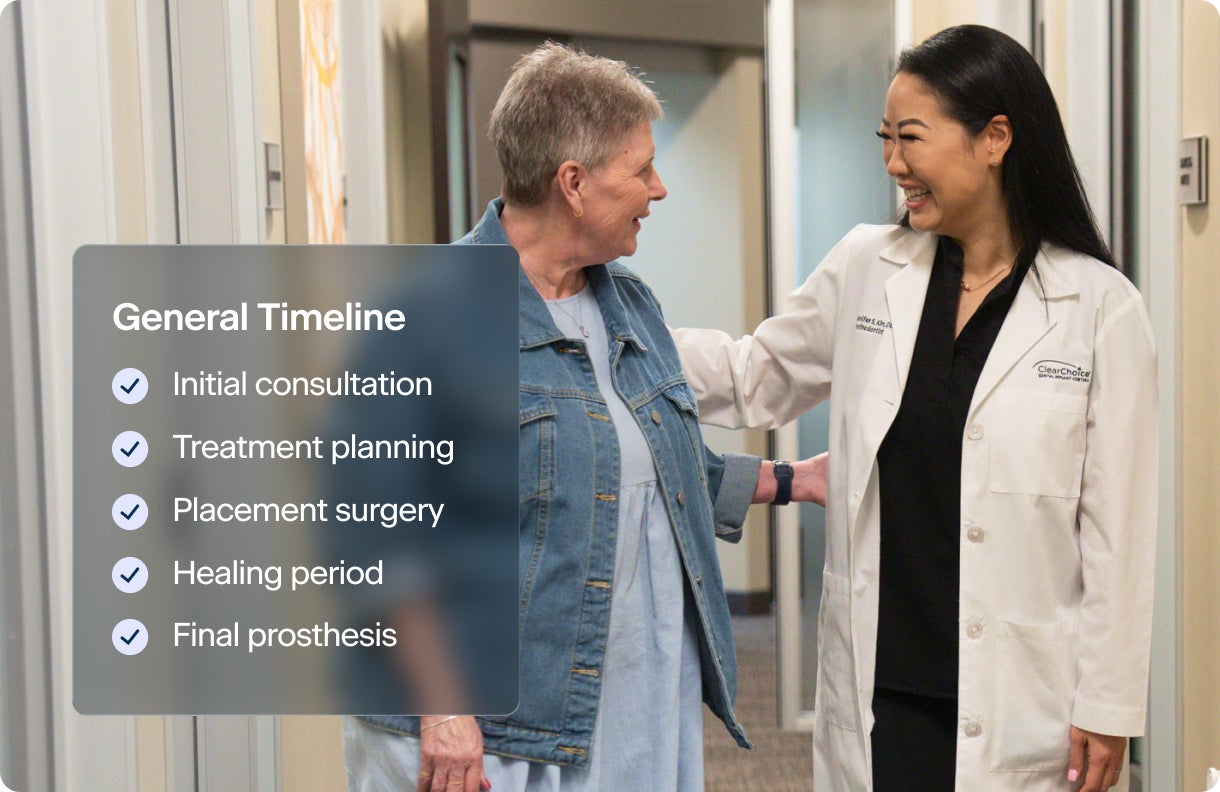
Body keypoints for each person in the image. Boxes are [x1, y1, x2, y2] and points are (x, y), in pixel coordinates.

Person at [673, 24, 1157, 792]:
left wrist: (1110, 701)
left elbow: (1117, 532)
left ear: (995, 137)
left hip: (1022, 702)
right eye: (885, 139)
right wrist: (624, 338)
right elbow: (754, 374)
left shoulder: (1100, 308)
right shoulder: (870, 266)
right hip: (882, 687)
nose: (894, 163)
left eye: (912, 138)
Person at [343, 42, 826, 792]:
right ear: (573, 183)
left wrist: (794, 480)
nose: (657, 189)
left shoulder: (627, 302)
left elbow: (645, 467)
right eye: (641, 170)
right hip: (490, 722)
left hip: (622, 700)